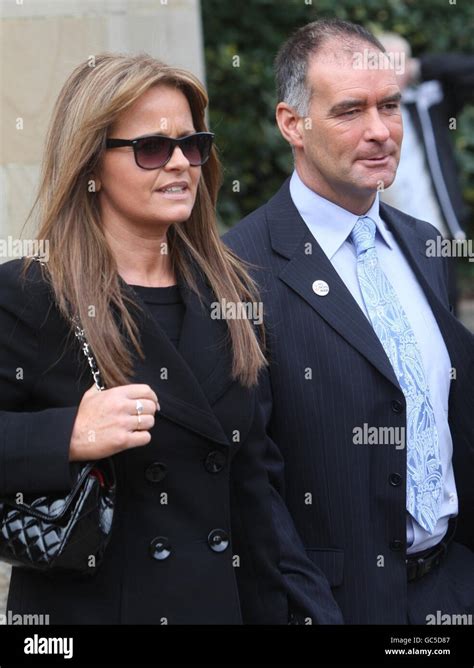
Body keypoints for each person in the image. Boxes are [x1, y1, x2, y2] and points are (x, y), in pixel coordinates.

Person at [0, 53, 341, 625]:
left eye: (194, 144)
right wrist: (67, 434)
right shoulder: (33, 293)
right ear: (91, 164)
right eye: (153, 148)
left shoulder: (235, 292)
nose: (181, 163)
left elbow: (255, 491)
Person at [224, 19, 474, 624]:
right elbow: (249, 483)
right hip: (335, 605)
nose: (380, 131)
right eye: (349, 111)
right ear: (293, 124)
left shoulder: (423, 243)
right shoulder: (237, 269)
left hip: (450, 591)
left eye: (389, 106)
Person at [377, 32, 474, 311]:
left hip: (436, 233)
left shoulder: (428, 104)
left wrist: (422, 67)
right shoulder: (365, 114)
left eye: (399, 63)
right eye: (385, 62)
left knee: (447, 312)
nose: (392, 71)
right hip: (387, 234)